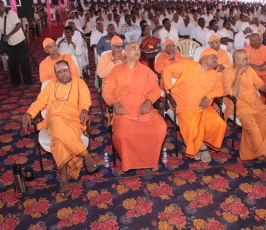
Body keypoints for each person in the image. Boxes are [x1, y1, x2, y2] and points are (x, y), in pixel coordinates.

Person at [22, 60, 96, 198]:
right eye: (59, 72)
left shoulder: (80, 83)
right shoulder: (50, 85)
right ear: (56, 74)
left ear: (70, 70)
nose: (63, 74)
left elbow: (86, 100)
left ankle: (63, 179)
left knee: (59, 140)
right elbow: (39, 102)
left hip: (73, 120)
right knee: (56, 122)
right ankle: (85, 154)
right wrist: (29, 113)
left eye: (65, 70)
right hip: (53, 119)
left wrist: (85, 110)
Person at [222, 49, 266, 179]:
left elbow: (260, 85)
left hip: (256, 105)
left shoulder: (250, 71)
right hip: (240, 107)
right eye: (246, 59)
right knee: (252, 127)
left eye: (248, 58)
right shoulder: (227, 72)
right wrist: (238, 74)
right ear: (237, 60)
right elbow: (233, 94)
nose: (249, 61)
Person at [103, 42, 167, 172]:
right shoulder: (116, 70)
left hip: (143, 109)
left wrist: (149, 102)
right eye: (133, 49)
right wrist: (115, 103)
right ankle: (129, 163)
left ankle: (149, 161)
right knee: (123, 134)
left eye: (138, 48)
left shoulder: (146, 71)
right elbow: (108, 92)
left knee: (160, 128)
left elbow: (155, 91)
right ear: (125, 53)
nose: (137, 51)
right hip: (124, 111)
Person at [163, 48, 227, 162]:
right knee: (191, 126)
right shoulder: (188, 65)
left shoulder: (213, 74)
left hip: (204, 108)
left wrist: (209, 96)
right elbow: (167, 69)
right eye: (213, 57)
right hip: (184, 107)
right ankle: (201, 147)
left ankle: (199, 143)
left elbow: (220, 90)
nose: (215, 60)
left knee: (220, 124)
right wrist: (169, 88)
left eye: (217, 58)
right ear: (202, 58)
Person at [0, 0, 32, 86]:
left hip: (19, 41)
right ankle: (16, 82)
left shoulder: (11, 14)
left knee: (24, 62)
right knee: (12, 63)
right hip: (9, 44)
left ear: (3, 6)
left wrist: (9, 35)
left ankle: (28, 81)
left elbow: (18, 25)